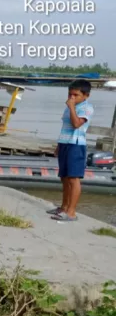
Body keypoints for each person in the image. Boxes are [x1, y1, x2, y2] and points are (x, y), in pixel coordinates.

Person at [48, 79, 94, 222]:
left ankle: (71, 212)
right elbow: (65, 127)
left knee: (73, 178)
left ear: (86, 95)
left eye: (75, 95)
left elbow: (76, 124)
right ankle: (63, 207)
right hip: (65, 143)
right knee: (64, 177)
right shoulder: (69, 107)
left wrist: (72, 107)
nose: (71, 98)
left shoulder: (86, 108)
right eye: (70, 94)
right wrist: (58, 145)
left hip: (76, 145)